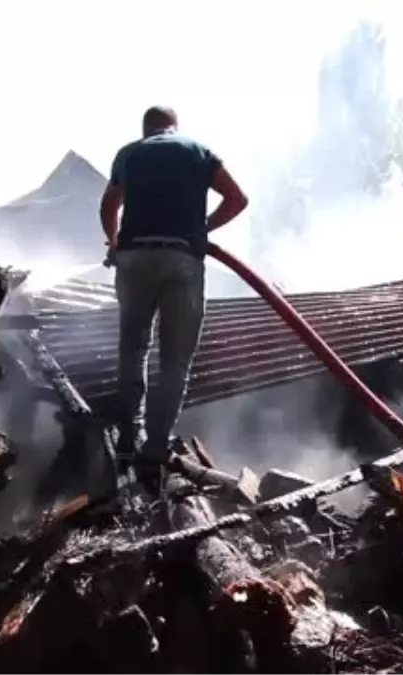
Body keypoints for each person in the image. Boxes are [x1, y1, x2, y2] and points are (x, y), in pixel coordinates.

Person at [99, 105, 249, 493]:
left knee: (132, 348)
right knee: (175, 359)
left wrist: (115, 243)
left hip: (133, 260)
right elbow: (237, 199)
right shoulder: (198, 151)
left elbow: (108, 205)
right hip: (182, 259)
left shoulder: (130, 153)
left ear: (146, 129)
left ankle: (128, 436)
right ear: (174, 127)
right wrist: (202, 228)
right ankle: (155, 445)